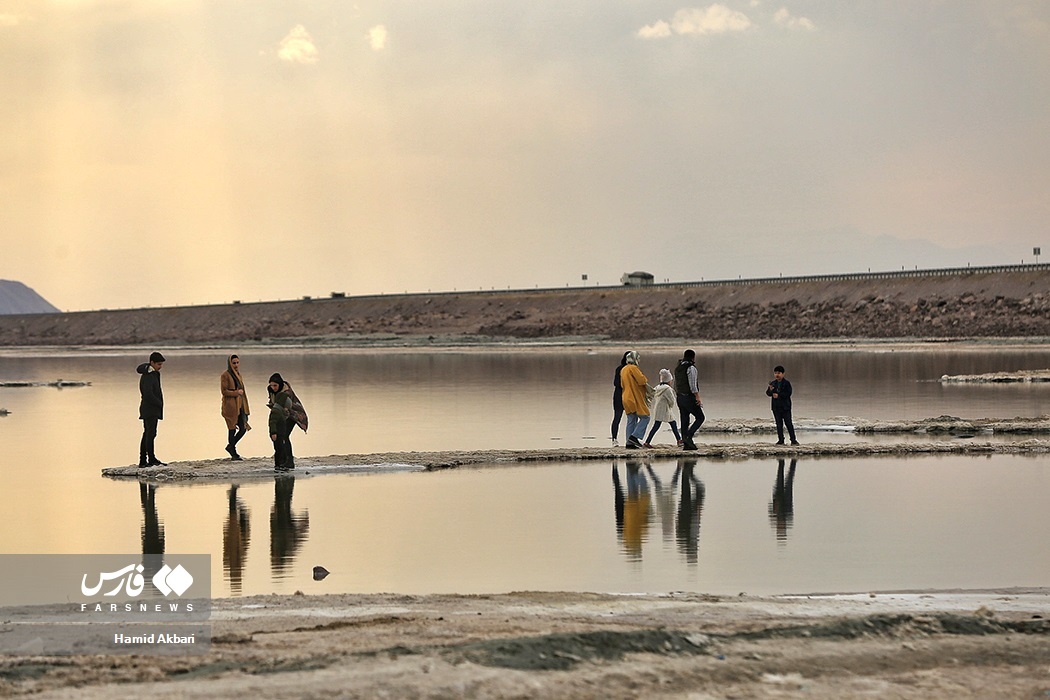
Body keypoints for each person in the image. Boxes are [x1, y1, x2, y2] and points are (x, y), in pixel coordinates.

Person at [137, 351, 166, 467]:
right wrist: (158, 403)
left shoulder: (154, 374)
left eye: (161, 364)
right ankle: (147, 460)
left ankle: (147, 459)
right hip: (149, 409)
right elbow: (147, 394)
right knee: (150, 433)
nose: (160, 367)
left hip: (152, 409)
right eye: (158, 364)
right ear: (152, 363)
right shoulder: (148, 375)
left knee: (149, 434)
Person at [221, 355, 251, 460]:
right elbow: (224, 391)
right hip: (230, 407)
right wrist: (236, 392)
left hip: (239, 406)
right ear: (230, 363)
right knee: (232, 429)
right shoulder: (225, 375)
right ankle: (233, 453)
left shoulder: (239, 375)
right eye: (234, 363)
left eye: (237, 363)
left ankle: (230, 446)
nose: (236, 365)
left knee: (243, 428)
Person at [619, 351, 651, 449]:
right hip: (634, 397)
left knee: (631, 419)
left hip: (625, 397)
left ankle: (629, 443)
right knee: (646, 417)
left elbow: (621, 384)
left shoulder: (623, 369)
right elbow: (642, 380)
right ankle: (634, 437)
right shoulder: (633, 368)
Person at [674, 349, 704, 451]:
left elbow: (676, 384)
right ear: (693, 357)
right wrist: (698, 397)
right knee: (700, 417)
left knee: (684, 419)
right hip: (688, 397)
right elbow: (693, 386)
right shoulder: (691, 368)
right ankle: (688, 437)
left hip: (679, 397)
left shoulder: (678, 367)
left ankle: (685, 441)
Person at [644, 369, 682, 447]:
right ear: (669, 380)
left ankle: (647, 442)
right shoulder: (667, 389)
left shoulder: (658, 387)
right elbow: (672, 400)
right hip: (666, 409)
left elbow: (652, 394)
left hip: (658, 409)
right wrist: (671, 406)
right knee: (671, 424)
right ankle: (679, 440)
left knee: (659, 424)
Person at [767, 365, 799, 445]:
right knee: (779, 424)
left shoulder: (786, 383)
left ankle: (793, 440)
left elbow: (788, 393)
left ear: (783, 374)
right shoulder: (773, 383)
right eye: (775, 373)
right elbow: (768, 393)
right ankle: (781, 440)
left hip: (785, 407)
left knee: (788, 423)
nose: (777, 375)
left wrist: (779, 395)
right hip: (776, 407)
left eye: (779, 373)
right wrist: (770, 391)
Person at [268, 375, 294, 471]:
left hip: (292, 415)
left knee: (284, 436)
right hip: (281, 415)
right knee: (280, 437)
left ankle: (289, 461)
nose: (273, 388)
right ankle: (281, 460)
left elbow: (283, 409)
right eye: (271, 385)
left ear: (280, 384)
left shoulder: (286, 393)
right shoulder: (272, 391)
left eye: (275, 385)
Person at [610, 351, 630, 444]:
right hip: (619, 395)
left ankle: (631, 438)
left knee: (632, 417)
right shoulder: (620, 369)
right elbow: (616, 383)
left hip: (630, 395)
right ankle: (614, 438)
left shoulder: (633, 369)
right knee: (617, 417)